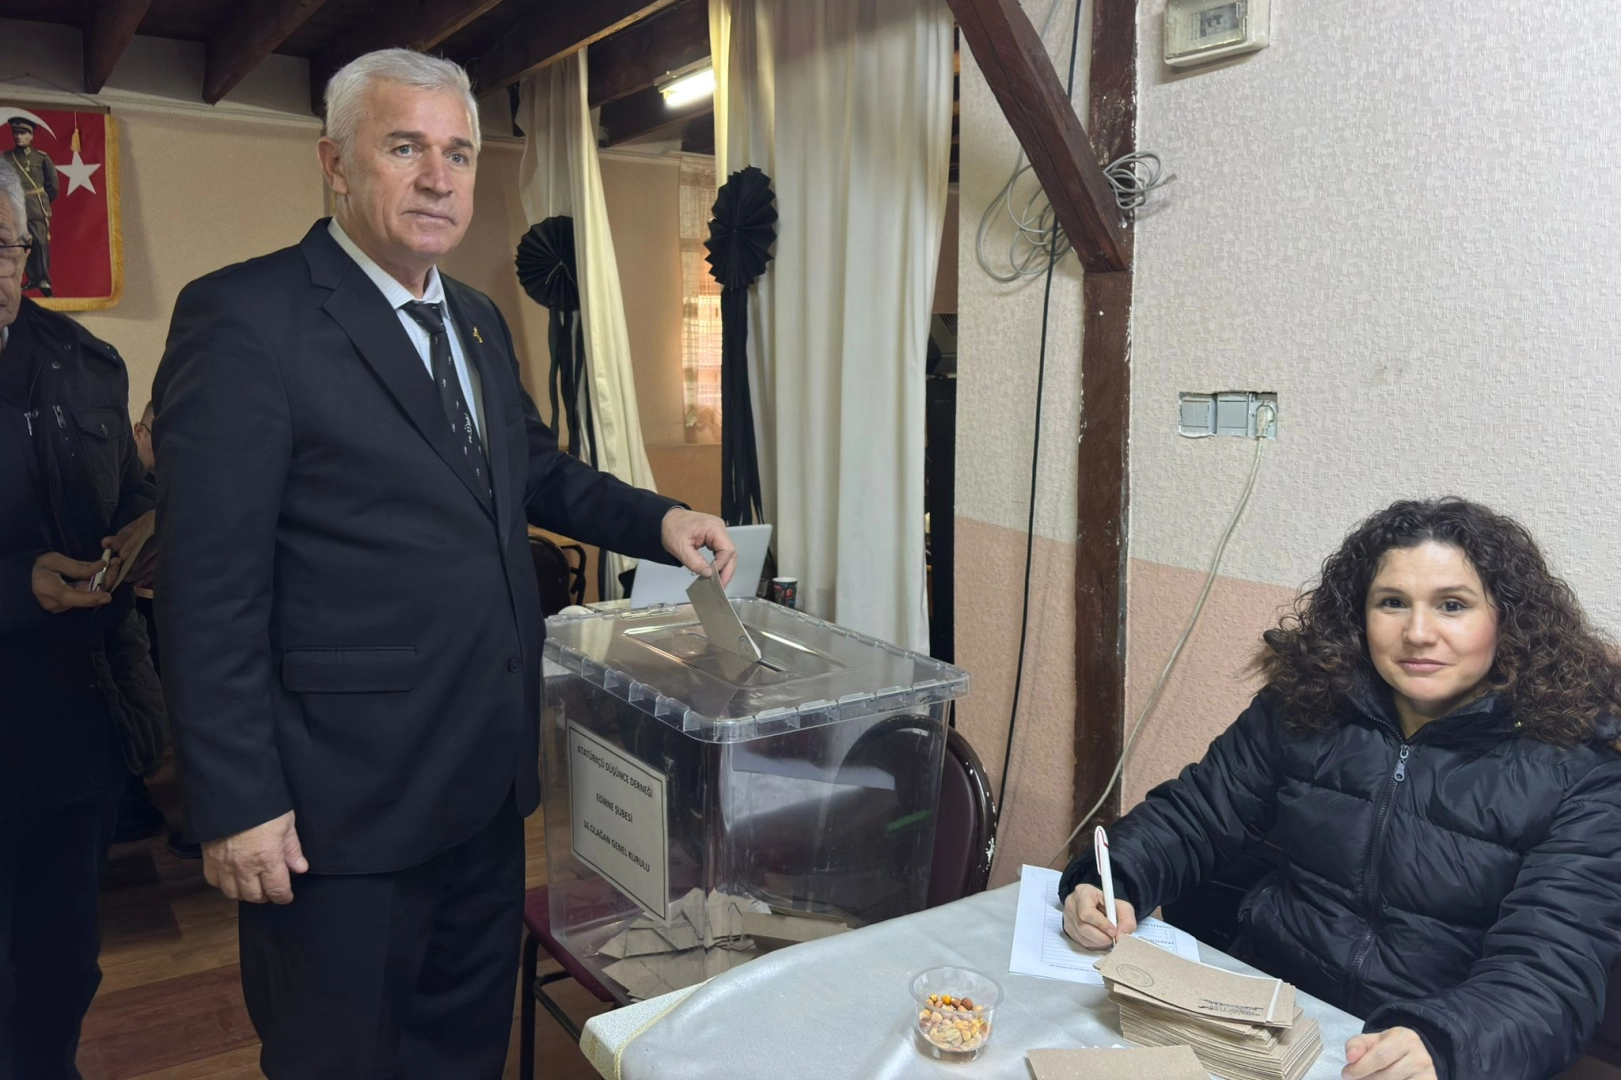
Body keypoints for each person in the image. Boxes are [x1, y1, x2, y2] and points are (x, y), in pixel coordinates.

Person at [152, 48, 737, 1079]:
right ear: (335, 163)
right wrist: (237, 801)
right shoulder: (246, 318)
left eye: (458, 153)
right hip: (338, 808)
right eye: (405, 147)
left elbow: (534, 470)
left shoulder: (473, 317)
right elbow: (208, 589)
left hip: (480, 787)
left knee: (462, 1052)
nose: (438, 178)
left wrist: (660, 519)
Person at [1061, 498, 1621, 1080]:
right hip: (1266, 1018)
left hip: (1420, 1048)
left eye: (1453, 605)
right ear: (1360, 614)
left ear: (1509, 618)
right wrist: (1114, 879)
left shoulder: (1582, 772)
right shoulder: (1307, 705)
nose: (1417, 633)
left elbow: (1551, 971)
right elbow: (1197, 814)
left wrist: (1444, 1043)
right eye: (1392, 603)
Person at [0, 160, 164, 1079]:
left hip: (74, 734)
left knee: (61, 971)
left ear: (27, 253)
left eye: (2, 246)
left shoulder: (85, 363)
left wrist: (149, 531)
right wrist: (17, 585)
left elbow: (128, 498)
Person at [3, 117, 57, 297]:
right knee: (19, 246)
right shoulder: (5, 158)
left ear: (31, 136)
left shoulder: (41, 158)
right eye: (16, 133)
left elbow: (53, 185)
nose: (19, 137)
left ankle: (43, 279)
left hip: (35, 206)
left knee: (40, 243)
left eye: (23, 133)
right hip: (15, 207)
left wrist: (43, 201)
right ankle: (30, 279)